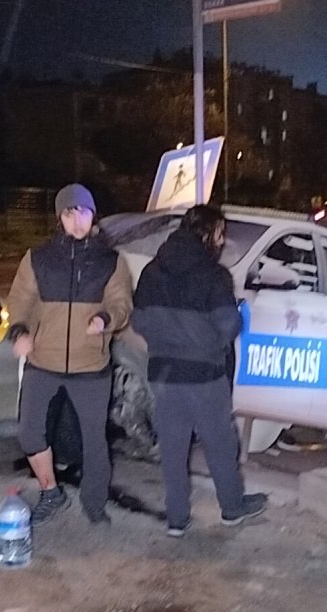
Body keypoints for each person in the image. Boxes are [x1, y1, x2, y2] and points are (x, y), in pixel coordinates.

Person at [130, 205, 267, 537]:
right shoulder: (214, 275)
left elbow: (139, 320)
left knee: (173, 448)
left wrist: (166, 341)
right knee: (220, 443)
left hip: (163, 373)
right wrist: (208, 344)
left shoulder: (152, 271)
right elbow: (228, 324)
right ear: (208, 233)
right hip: (205, 375)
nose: (222, 240)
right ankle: (232, 508)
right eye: (220, 233)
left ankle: (177, 519)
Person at [6, 183, 134, 526]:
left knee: (94, 440)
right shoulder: (38, 258)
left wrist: (105, 319)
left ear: (94, 216)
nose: (76, 220)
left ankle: (95, 503)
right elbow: (18, 301)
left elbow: (122, 304)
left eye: (83, 212)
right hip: (41, 362)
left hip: (91, 365)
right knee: (30, 433)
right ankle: (51, 491)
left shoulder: (111, 261)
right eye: (69, 213)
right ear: (59, 218)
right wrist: (17, 331)